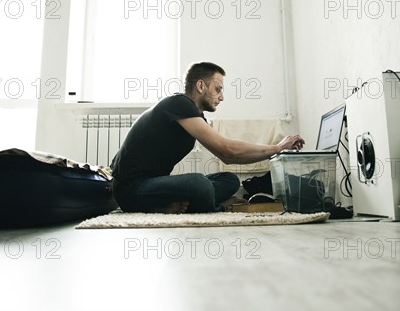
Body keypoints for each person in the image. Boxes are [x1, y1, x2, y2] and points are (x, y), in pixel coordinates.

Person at [110, 61, 305, 214]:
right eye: (218, 89)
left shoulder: (193, 114)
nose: (221, 97)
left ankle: (178, 204)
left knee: (229, 180)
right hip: (131, 190)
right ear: (201, 86)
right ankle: (190, 207)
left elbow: (227, 157)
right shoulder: (178, 103)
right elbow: (227, 150)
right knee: (198, 184)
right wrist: (277, 148)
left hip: (153, 185)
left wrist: (275, 149)